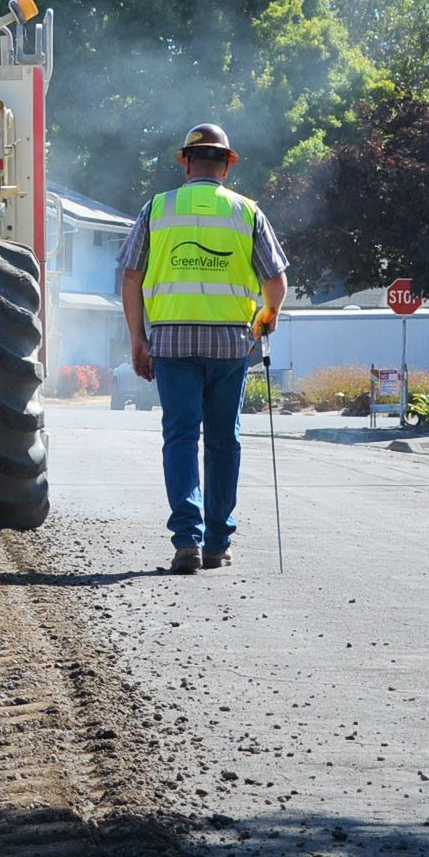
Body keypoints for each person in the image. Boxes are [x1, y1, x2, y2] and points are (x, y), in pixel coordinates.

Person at [117, 123, 289, 575]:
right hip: (232, 344)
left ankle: (187, 542)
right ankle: (217, 542)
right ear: (228, 165)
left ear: (186, 162)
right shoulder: (247, 212)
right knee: (223, 440)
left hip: (172, 343)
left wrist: (138, 338)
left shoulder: (157, 209)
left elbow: (131, 275)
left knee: (180, 437)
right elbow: (276, 283)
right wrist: (265, 319)